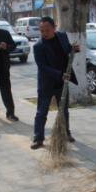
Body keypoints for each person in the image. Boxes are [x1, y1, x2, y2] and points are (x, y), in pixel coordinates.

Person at [31, 16, 80, 150]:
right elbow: (43, 67)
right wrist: (59, 74)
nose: (44, 33)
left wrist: (75, 48)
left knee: (64, 110)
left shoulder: (62, 36)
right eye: (42, 30)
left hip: (62, 83)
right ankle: (38, 138)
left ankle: (66, 133)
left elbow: (67, 49)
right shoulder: (38, 46)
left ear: (54, 27)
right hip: (47, 84)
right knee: (41, 111)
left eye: (47, 30)